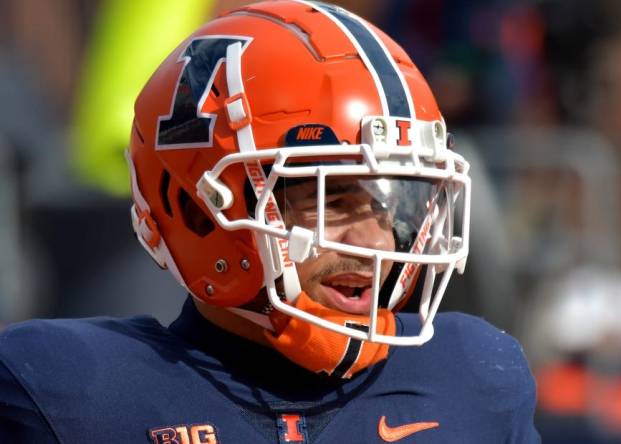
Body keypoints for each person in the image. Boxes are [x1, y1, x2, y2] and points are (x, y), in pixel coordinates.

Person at [0, 1, 540, 442]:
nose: (374, 238)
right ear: (199, 210)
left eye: (394, 203)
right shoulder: (67, 393)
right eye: (331, 200)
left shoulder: (475, 378)